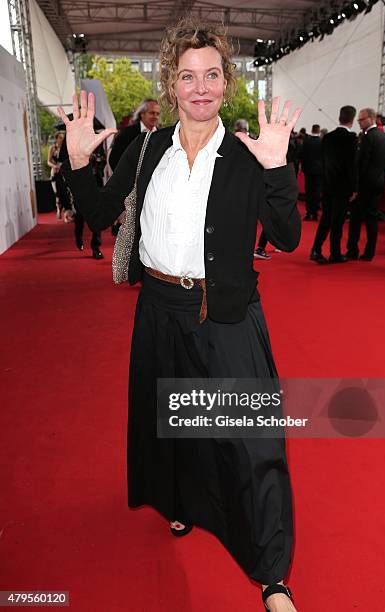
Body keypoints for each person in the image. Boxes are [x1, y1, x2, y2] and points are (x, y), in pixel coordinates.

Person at [58, 19, 301, 612]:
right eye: (187, 76)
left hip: (225, 314)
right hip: (159, 308)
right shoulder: (148, 148)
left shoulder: (248, 156)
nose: (200, 87)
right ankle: (181, 505)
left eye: (211, 75)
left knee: (252, 441)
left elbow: (289, 238)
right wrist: (80, 162)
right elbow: (99, 211)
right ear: (171, 83)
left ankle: (271, 573)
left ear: (226, 82)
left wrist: (276, 171)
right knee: (169, 419)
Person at [310, 105, 358, 264]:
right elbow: (351, 166)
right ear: (352, 120)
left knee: (326, 219)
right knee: (337, 221)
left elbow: (323, 162)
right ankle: (335, 253)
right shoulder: (352, 139)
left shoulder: (328, 137)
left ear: (339, 117)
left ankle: (316, 249)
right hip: (342, 187)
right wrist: (354, 188)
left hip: (328, 184)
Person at [346, 108, 385, 261]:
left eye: (361, 120)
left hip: (365, 185)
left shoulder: (368, 137)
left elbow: (361, 164)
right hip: (377, 183)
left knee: (356, 219)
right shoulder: (383, 136)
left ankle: (352, 250)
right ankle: (370, 252)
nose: (359, 122)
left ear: (371, 118)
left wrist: (356, 187)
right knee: (371, 219)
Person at [108, 98, 161, 171]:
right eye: (152, 113)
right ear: (142, 114)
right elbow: (114, 159)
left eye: (157, 114)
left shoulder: (162, 135)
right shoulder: (127, 133)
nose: (155, 117)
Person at [299, 124, 323, 220]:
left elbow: (302, 155)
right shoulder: (322, 142)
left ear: (312, 130)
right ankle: (315, 213)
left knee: (308, 191)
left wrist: (303, 168)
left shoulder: (306, 142)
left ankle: (309, 212)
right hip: (319, 171)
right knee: (316, 192)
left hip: (308, 170)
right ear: (319, 131)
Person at [47, 132, 65, 218]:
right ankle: (58, 210)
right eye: (60, 137)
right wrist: (54, 166)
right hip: (55, 172)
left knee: (65, 191)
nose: (62, 139)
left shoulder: (65, 149)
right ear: (56, 138)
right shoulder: (52, 148)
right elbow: (48, 161)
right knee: (57, 192)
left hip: (63, 172)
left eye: (63, 137)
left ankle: (66, 211)